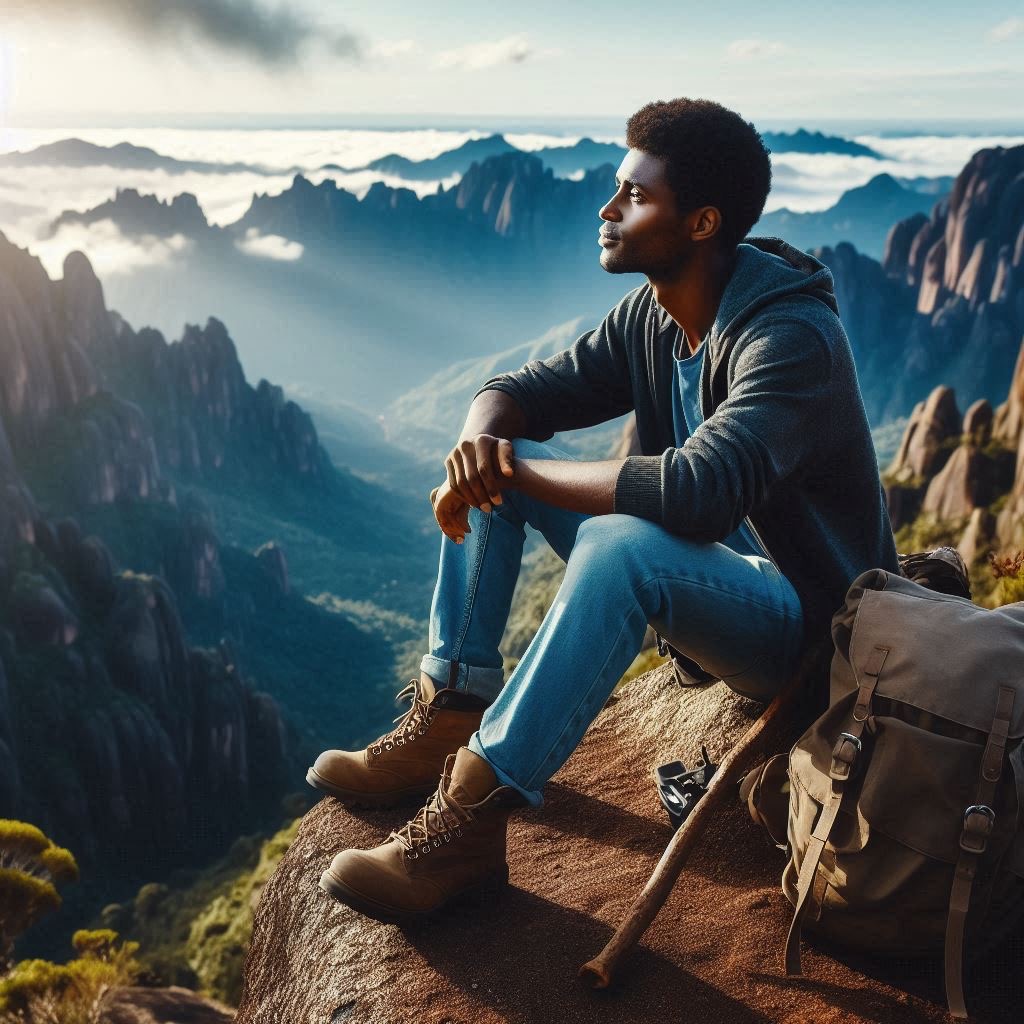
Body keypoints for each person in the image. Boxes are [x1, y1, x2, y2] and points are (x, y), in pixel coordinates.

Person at [307, 97, 900, 922]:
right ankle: (452, 709)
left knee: (614, 540)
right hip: (709, 585)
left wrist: (512, 466)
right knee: (507, 472)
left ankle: (471, 824)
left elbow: (699, 488)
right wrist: (483, 447)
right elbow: (515, 392)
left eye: (634, 196)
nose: (607, 209)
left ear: (699, 223)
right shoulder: (653, 316)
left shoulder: (791, 339)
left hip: (810, 632)